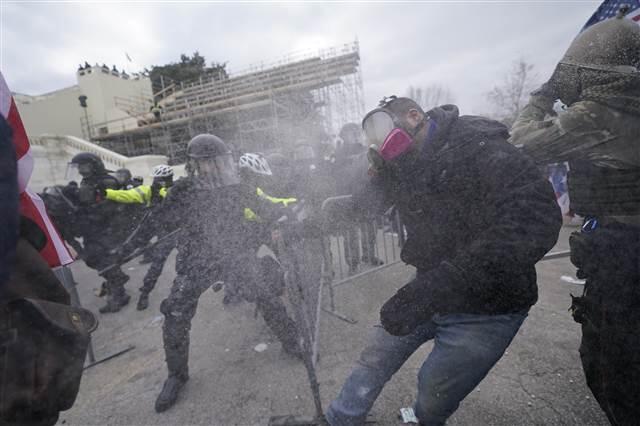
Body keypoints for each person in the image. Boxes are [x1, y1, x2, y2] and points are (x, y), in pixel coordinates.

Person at [325, 96, 562, 426]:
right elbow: (365, 205)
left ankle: (420, 420)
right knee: (377, 354)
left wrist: (448, 280)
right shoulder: (403, 164)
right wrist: (310, 226)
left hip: (487, 307)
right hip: (430, 288)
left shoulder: (479, 146)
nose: (380, 142)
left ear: (413, 115)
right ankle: (339, 419)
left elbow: (534, 219)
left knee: (435, 390)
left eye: (382, 128)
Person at [509, 10, 640, 425]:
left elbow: (522, 143)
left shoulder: (601, 114)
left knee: (612, 368)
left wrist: (542, 96)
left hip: (626, 254)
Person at [151, 134, 300, 412]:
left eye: (222, 161)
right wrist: (164, 200)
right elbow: (162, 219)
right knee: (175, 312)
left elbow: (263, 205)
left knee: (265, 295)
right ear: (197, 164)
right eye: (211, 162)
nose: (218, 167)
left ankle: (292, 342)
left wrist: (286, 212)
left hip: (235, 253)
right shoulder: (183, 190)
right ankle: (176, 375)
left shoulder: (237, 186)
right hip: (197, 259)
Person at [66, 152, 131, 313]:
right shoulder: (87, 181)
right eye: (79, 167)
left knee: (105, 261)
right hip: (93, 230)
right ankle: (118, 281)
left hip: (107, 230)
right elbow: (85, 201)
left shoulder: (107, 181)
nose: (80, 170)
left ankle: (118, 295)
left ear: (94, 165)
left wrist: (88, 213)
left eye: (84, 166)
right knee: (92, 259)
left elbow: (112, 206)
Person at [103, 164, 175, 310]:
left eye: (161, 179)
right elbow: (129, 195)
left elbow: (172, 196)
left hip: (170, 230)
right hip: (152, 223)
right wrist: (106, 193)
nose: (158, 182)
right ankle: (115, 266)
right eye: (157, 179)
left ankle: (144, 293)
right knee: (132, 244)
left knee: (158, 263)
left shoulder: (175, 191)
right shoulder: (149, 190)